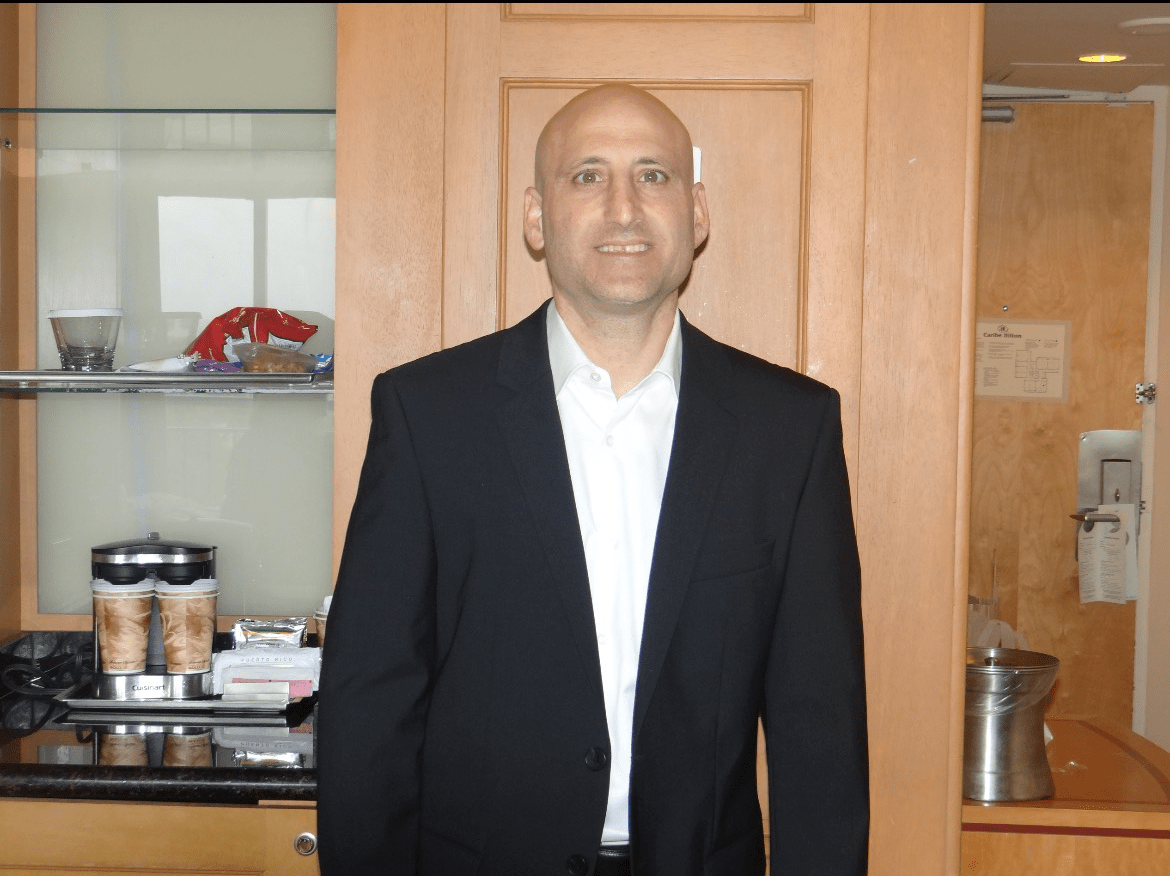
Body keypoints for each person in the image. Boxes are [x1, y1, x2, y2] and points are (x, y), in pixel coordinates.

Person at [317, 83, 869, 876]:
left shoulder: (791, 430)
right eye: (587, 176)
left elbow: (821, 729)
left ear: (697, 212)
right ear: (536, 218)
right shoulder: (428, 415)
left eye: (653, 175)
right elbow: (371, 703)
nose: (623, 208)